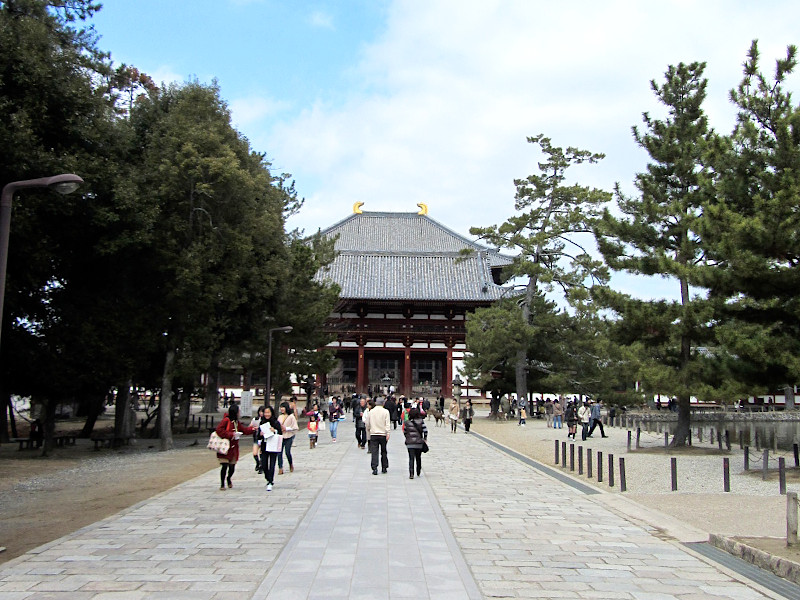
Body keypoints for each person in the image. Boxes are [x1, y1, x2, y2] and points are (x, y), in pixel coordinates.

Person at [214, 403, 256, 490]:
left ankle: (229, 478)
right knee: (224, 466)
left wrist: (252, 429)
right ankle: (222, 484)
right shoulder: (226, 420)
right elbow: (219, 430)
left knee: (232, 467)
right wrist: (231, 434)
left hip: (233, 448)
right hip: (225, 447)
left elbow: (243, 430)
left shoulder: (236, 422)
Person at [258, 406, 283, 492]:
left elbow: (280, 433)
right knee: (264, 464)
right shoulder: (262, 422)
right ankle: (267, 477)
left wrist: (274, 431)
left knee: (272, 464)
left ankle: (270, 482)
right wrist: (260, 434)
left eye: (268, 412)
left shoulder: (276, 422)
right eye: (265, 412)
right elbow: (258, 435)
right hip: (265, 445)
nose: (267, 414)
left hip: (273, 445)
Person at [365, 397, 391, 475]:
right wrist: (388, 433)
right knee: (383, 451)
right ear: (383, 403)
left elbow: (367, 423)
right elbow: (387, 423)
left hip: (374, 434)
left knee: (374, 452)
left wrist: (369, 430)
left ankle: (375, 468)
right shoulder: (386, 411)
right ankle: (384, 467)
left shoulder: (371, 411)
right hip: (383, 434)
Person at [403, 407, 428, 479]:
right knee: (418, 457)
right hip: (419, 442)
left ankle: (411, 473)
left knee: (411, 458)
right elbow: (425, 430)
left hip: (410, 443)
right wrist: (425, 438)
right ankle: (418, 471)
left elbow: (405, 432)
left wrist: (408, 438)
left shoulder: (407, 422)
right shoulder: (421, 421)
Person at [277, 402, 298, 474]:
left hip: (288, 436)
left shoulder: (291, 416)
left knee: (287, 452)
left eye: (283, 407)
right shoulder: (279, 417)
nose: (282, 409)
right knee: (279, 452)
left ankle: (290, 464)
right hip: (281, 436)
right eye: (281, 407)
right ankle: (280, 467)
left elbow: (295, 427)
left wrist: (286, 428)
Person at [252, 405, 265, 473]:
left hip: (263, 438)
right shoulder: (255, 419)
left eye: (263, 412)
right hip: (256, 437)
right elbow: (251, 426)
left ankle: (261, 466)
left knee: (262, 452)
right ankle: (258, 462)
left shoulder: (266, 420)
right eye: (260, 411)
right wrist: (253, 428)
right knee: (255, 453)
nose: (261, 413)